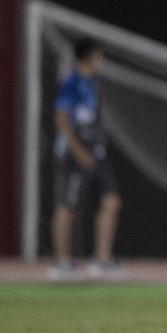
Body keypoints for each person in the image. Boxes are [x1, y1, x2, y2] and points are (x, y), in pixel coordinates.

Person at [50, 38, 123, 282]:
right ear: (90, 55)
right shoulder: (71, 82)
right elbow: (61, 119)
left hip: (96, 153)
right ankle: (61, 263)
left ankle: (102, 260)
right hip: (75, 154)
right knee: (67, 206)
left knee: (111, 199)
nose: (101, 60)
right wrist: (78, 151)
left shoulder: (94, 83)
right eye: (99, 55)